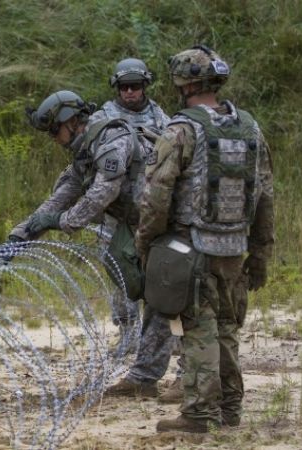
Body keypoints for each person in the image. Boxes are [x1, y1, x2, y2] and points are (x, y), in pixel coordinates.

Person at [135, 45, 274, 433]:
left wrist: (147, 244)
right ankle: (230, 410)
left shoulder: (181, 130)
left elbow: (157, 195)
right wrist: (260, 253)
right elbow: (265, 195)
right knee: (227, 329)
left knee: (198, 329)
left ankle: (198, 415)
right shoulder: (250, 127)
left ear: (184, 84)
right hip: (235, 246)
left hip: (191, 248)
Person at [3, 90, 156, 359]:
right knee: (132, 280)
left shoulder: (111, 140)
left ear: (71, 121)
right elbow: (59, 199)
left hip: (161, 222)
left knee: (167, 293)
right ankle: (148, 363)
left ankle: (183, 369)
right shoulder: (85, 152)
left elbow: (102, 193)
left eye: (54, 130)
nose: (53, 138)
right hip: (135, 224)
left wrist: (62, 222)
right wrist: (19, 237)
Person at [101, 58, 184, 404]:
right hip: (117, 217)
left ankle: (156, 357)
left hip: (151, 213)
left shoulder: (161, 117)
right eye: (125, 87)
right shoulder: (105, 117)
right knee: (122, 280)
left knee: (157, 286)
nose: (131, 92)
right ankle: (127, 333)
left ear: (145, 85)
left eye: (136, 86)